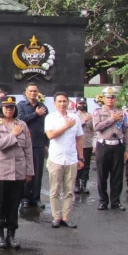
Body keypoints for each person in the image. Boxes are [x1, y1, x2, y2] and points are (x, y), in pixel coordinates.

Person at [0, 96, 33, 248]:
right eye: (6, 107)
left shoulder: (22, 125)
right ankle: (0, 233)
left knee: (14, 205)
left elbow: (28, 149)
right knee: (0, 204)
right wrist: (13, 135)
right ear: (1, 108)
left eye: (12, 107)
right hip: (1, 172)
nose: (9, 109)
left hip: (18, 171)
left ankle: (11, 235)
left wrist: (29, 171)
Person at [45, 92, 83, 228]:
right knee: (55, 190)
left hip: (71, 158)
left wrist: (81, 157)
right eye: (59, 101)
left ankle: (66, 217)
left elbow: (79, 138)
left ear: (68, 102)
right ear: (55, 103)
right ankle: (56, 217)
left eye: (64, 101)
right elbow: (50, 135)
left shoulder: (75, 118)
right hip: (56, 158)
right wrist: (66, 126)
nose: (62, 104)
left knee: (69, 191)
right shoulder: (50, 118)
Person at [93, 87, 127, 211]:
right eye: (108, 97)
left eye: (112, 98)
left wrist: (127, 148)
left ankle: (115, 202)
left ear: (115, 99)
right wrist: (112, 119)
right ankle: (103, 201)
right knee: (102, 175)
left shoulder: (121, 112)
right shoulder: (98, 112)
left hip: (117, 145)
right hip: (103, 146)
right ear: (103, 98)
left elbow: (125, 129)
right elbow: (97, 127)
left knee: (117, 175)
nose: (110, 100)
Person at [18, 82, 49, 209]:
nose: (33, 93)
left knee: (38, 172)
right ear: (26, 92)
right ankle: (25, 198)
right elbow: (20, 119)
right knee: (26, 171)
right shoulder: (21, 105)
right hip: (24, 143)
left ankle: (36, 198)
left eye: (35, 91)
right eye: (30, 91)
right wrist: (36, 114)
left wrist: (46, 143)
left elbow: (46, 126)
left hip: (39, 143)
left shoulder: (43, 107)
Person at [75, 98, 93, 194]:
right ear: (76, 104)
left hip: (87, 144)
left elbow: (94, 130)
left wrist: (94, 144)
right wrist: (83, 121)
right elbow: (73, 128)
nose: (82, 105)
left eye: (83, 103)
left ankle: (84, 184)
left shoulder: (90, 116)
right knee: (77, 165)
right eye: (80, 103)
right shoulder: (73, 116)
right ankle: (76, 184)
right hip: (76, 145)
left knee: (86, 166)